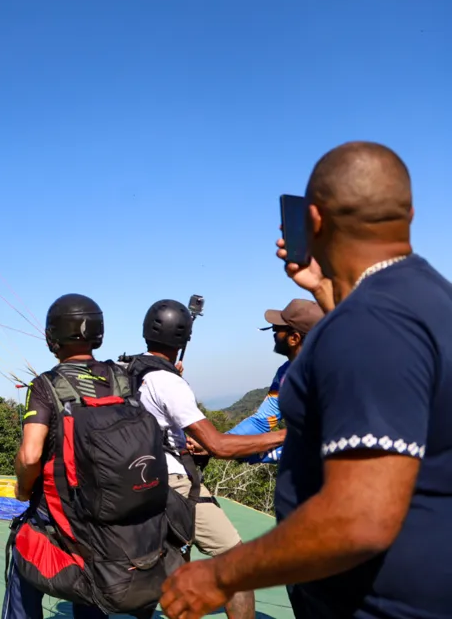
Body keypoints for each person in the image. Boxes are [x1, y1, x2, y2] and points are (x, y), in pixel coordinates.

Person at [160, 141, 452, 619]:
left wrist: (221, 574)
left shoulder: (368, 324)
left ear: (314, 221)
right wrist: (323, 287)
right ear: (409, 213)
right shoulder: (427, 302)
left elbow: (359, 518)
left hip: (368, 602)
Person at [126, 299, 286, 619]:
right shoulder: (169, 381)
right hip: (170, 480)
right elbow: (219, 447)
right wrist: (285, 436)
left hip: (129, 479)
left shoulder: (122, 370)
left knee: (168, 559)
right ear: (183, 340)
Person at [7, 293, 112, 619]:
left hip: (57, 513)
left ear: (52, 338)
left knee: (22, 563)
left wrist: (24, 491)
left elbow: (30, 455)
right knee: (92, 579)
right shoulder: (121, 379)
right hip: (110, 513)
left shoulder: (45, 385)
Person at [223, 298, 325, 463]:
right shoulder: (285, 373)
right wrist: (220, 442)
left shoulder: (331, 373)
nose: (274, 334)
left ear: (294, 338)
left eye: (277, 329)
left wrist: (253, 452)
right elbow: (262, 421)